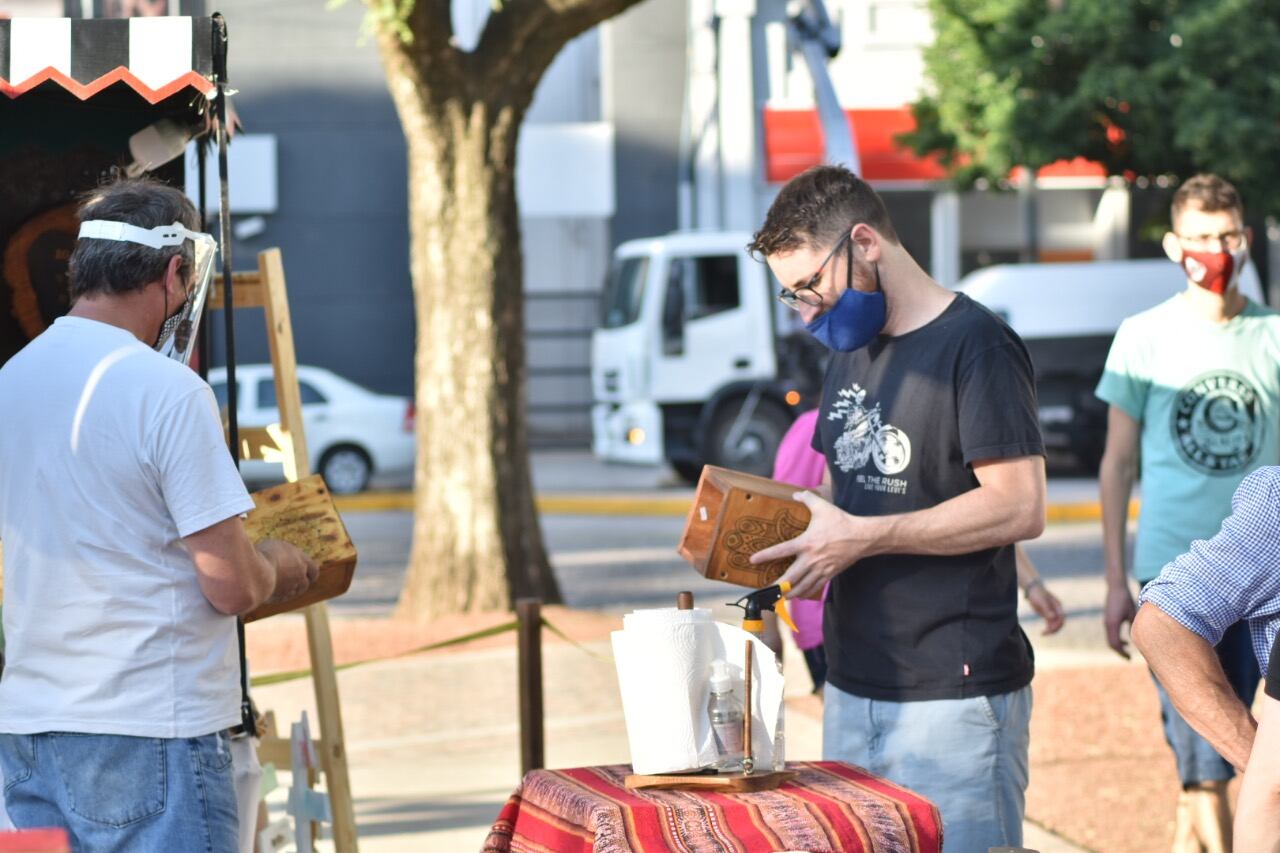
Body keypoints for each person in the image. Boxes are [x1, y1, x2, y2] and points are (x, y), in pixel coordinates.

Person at [0, 177, 318, 851]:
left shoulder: (12, 382)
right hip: (150, 734)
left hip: (29, 728)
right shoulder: (169, 392)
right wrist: (281, 567)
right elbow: (231, 584)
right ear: (176, 273)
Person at [747, 165, 1047, 850]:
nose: (805, 312)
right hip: (851, 688)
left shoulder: (979, 345)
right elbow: (844, 493)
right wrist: (761, 528)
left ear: (865, 243)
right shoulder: (851, 352)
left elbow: (1019, 506)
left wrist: (861, 536)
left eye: (809, 287)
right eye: (790, 297)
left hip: (955, 700)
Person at [1096, 173, 1280, 850]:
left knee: (1253, 757)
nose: (1216, 250)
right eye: (1201, 237)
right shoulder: (1143, 336)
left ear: (1247, 238)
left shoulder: (1274, 335)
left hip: (1267, 582)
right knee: (1205, 761)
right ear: (1176, 244)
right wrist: (1116, 579)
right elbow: (1116, 463)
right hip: (1175, 569)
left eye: (1227, 235)